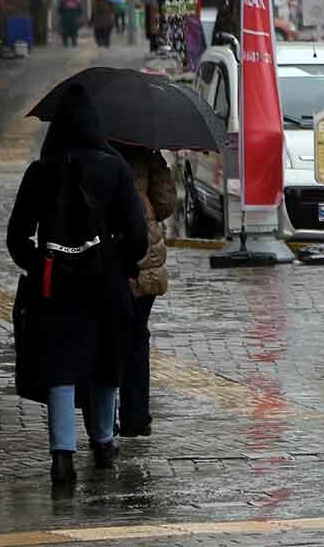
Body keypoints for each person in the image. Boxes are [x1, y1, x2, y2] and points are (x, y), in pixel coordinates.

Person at [7, 85, 148, 484]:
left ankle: (62, 456)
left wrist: (40, 265)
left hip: (54, 288)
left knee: (60, 366)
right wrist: (119, 261)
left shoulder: (42, 170)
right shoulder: (115, 168)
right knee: (105, 362)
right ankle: (103, 443)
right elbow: (138, 236)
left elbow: (16, 236)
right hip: (105, 284)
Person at [112, 143, 178, 439]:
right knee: (138, 336)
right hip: (145, 255)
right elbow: (165, 204)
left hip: (109, 252)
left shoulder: (97, 150)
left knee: (107, 336)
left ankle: (102, 421)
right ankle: (136, 417)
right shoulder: (147, 152)